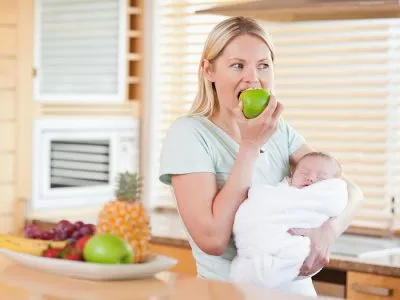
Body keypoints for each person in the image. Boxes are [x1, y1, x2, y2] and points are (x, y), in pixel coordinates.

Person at [158, 16, 363, 296]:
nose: (253, 78)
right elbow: (213, 239)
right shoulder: (189, 134)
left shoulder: (280, 132)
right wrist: (250, 147)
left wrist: (329, 231)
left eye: (263, 66)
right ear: (209, 70)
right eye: (237, 65)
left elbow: (351, 191)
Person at [230, 152, 348, 291]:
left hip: (297, 256)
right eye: (304, 172)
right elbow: (258, 204)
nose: (310, 178)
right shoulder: (278, 193)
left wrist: (329, 230)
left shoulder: (324, 199)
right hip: (260, 243)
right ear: (292, 176)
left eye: (321, 178)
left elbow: (343, 200)